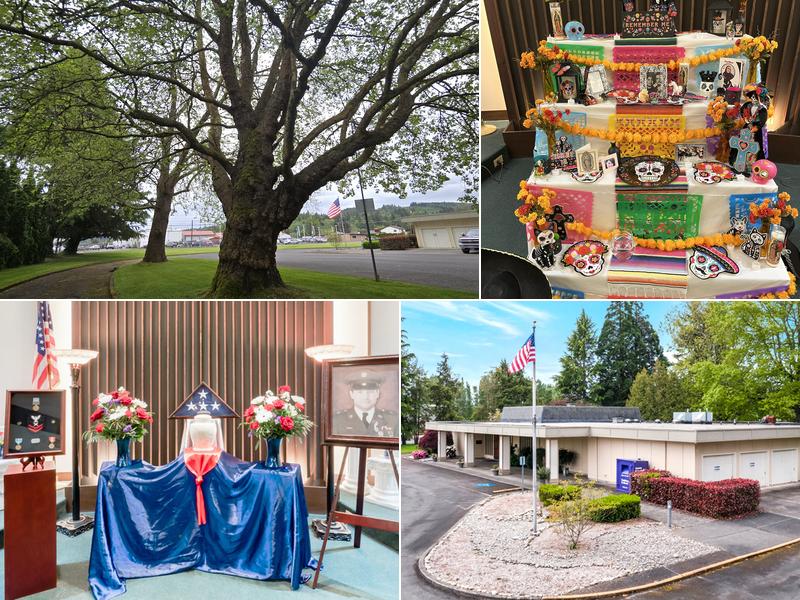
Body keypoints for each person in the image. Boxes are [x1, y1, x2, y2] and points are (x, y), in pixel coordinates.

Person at [332, 371, 398, 437]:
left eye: (370, 392)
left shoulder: (393, 419)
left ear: (377, 393)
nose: (365, 397)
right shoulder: (337, 420)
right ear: (351, 394)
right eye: (360, 392)